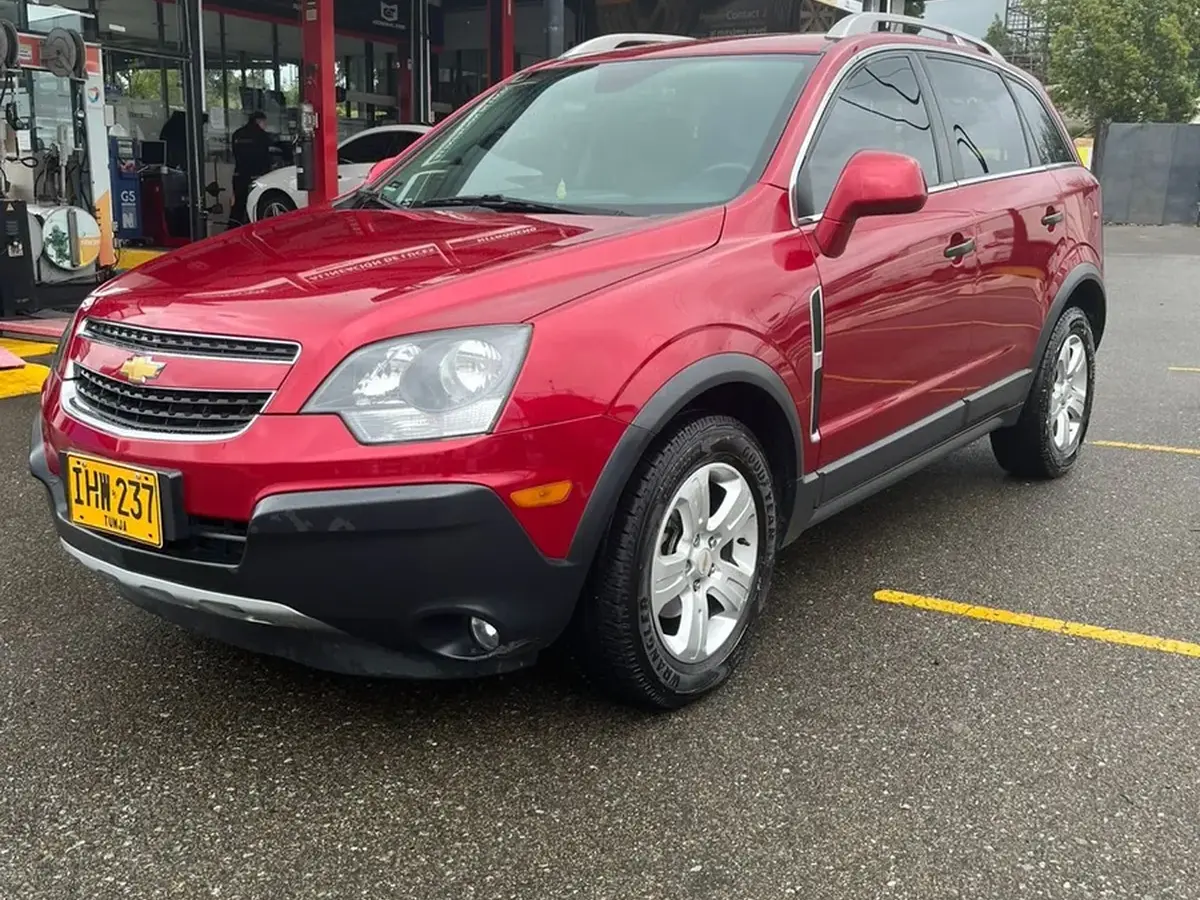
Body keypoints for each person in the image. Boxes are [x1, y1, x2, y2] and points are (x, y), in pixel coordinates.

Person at [229, 111, 273, 226]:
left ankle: (233, 229)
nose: (265, 126)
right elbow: (268, 155)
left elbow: (235, 154)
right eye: (264, 123)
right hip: (257, 176)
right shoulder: (262, 136)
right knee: (255, 206)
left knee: (238, 206)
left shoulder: (237, 134)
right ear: (259, 121)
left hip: (239, 175)